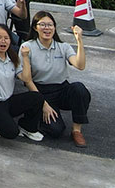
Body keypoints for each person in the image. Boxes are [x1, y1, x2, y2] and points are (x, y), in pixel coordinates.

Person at [21, 12, 90, 147]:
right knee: (56, 130)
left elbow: (80, 65)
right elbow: (27, 80)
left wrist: (79, 40)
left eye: (50, 25)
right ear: (35, 27)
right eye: (42, 25)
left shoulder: (63, 47)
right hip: (40, 92)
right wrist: (43, 104)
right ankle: (34, 118)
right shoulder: (27, 47)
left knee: (79, 89)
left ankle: (76, 131)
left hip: (61, 88)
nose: (47, 28)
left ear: (54, 27)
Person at [0, 23, 44, 141]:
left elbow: (26, 79)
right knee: (11, 132)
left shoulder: (12, 57)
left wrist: (25, 57)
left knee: (37, 97)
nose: (3, 41)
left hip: (7, 101)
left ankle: (28, 127)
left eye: (6, 38)